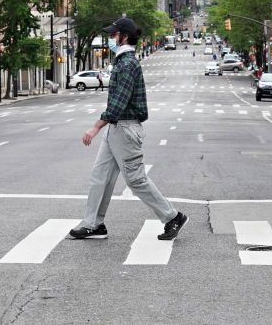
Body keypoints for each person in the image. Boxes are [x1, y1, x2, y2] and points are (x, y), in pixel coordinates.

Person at [70, 17, 188, 242]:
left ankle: (172, 217)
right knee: (100, 176)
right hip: (117, 128)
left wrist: (95, 127)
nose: (110, 38)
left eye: (113, 35)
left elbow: (118, 102)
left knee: (136, 180)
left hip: (124, 128)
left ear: (123, 37)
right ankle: (93, 223)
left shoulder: (127, 64)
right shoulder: (124, 62)